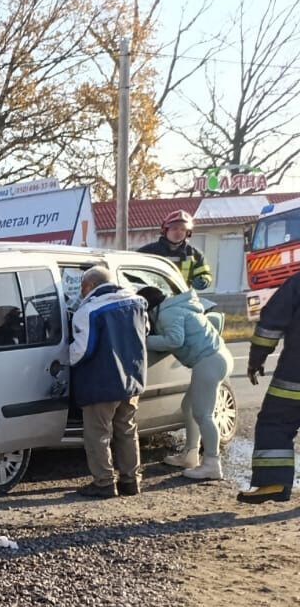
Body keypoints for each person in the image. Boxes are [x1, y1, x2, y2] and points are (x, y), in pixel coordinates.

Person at [138, 286, 234, 481]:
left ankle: (212, 464)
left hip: (207, 361)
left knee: (203, 414)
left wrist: (144, 340)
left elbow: (174, 340)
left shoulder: (166, 314)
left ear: (149, 308)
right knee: (189, 406)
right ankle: (190, 455)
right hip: (217, 357)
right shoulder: (176, 308)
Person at [69, 265, 149, 498]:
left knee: (98, 434)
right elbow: (145, 333)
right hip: (132, 380)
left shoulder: (90, 311)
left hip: (101, 382)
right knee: (127, 429)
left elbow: (82, 350)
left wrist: (64, 356)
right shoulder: (137, 303)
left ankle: (103, 483)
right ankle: (130, 482)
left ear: (88, 286)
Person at [239, 272, 300, 504]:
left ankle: (274, 482)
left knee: (275, 423)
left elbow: (272, 321)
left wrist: (257, 358)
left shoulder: (297, 283)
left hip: (295, 374)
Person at [137, 210, 213, 290]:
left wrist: (204, 280)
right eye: (174, 228)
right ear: (165, 230)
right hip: (154, 299)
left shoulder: (194, 254)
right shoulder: (148, 252)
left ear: (188, 233)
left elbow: (205, 274)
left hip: (183, 298)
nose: (178, 232)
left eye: (183, 229)